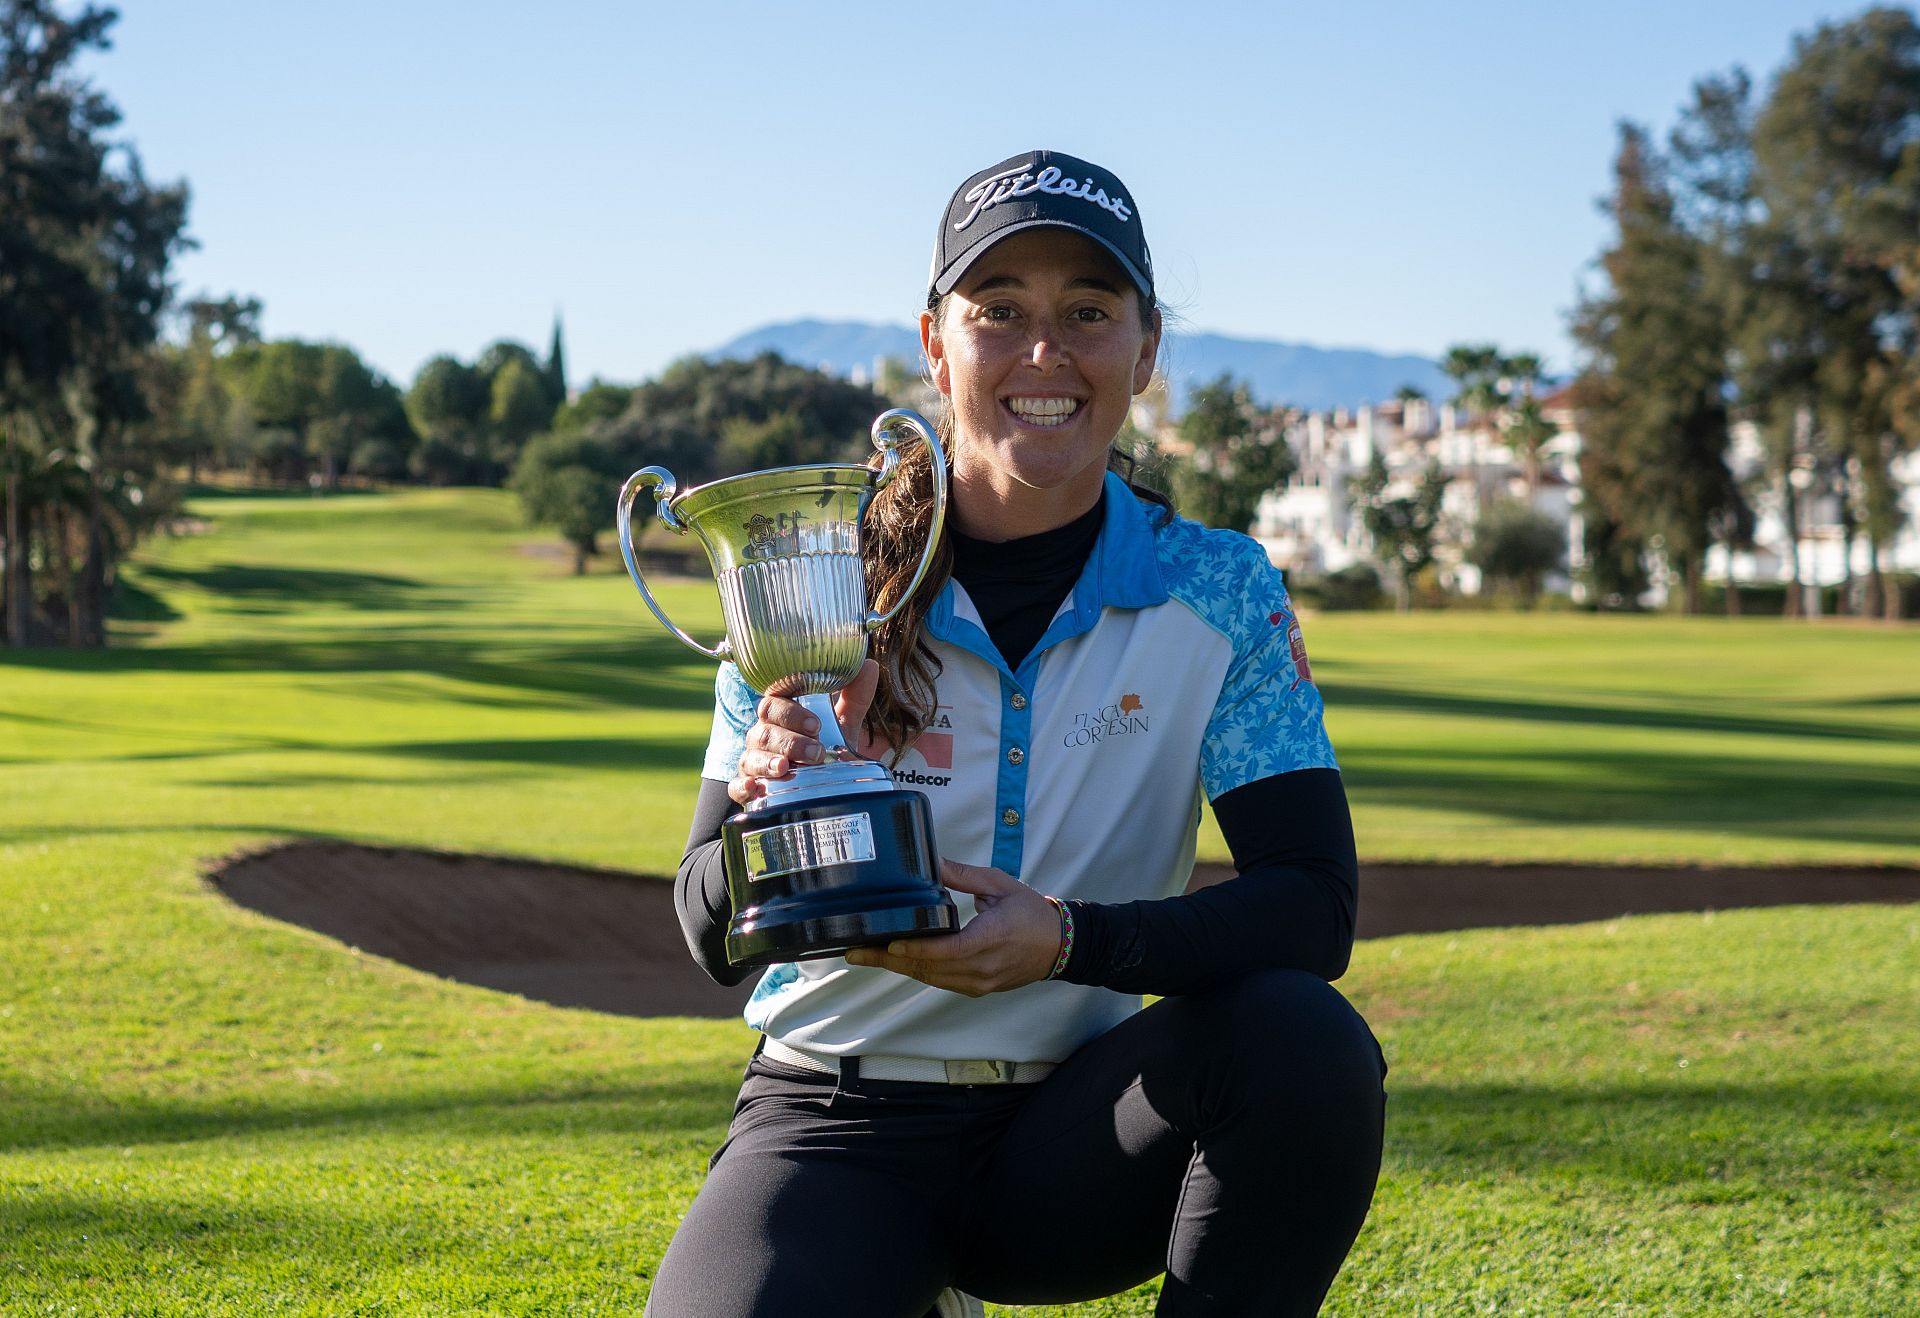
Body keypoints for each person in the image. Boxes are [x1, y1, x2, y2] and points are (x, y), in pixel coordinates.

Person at [648, 150, 1386, 1318]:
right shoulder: (816, 579)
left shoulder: (1222, 591)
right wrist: (770, 825)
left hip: (1080, 1134)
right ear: (936, 345)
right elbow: (705, 923)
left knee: (1303, 1042)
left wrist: (1066, 939)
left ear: (1144, 353)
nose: (1046, 352)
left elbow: (1314, 904)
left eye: (1089, 313)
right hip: (834, 1120)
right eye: (1000, 311)